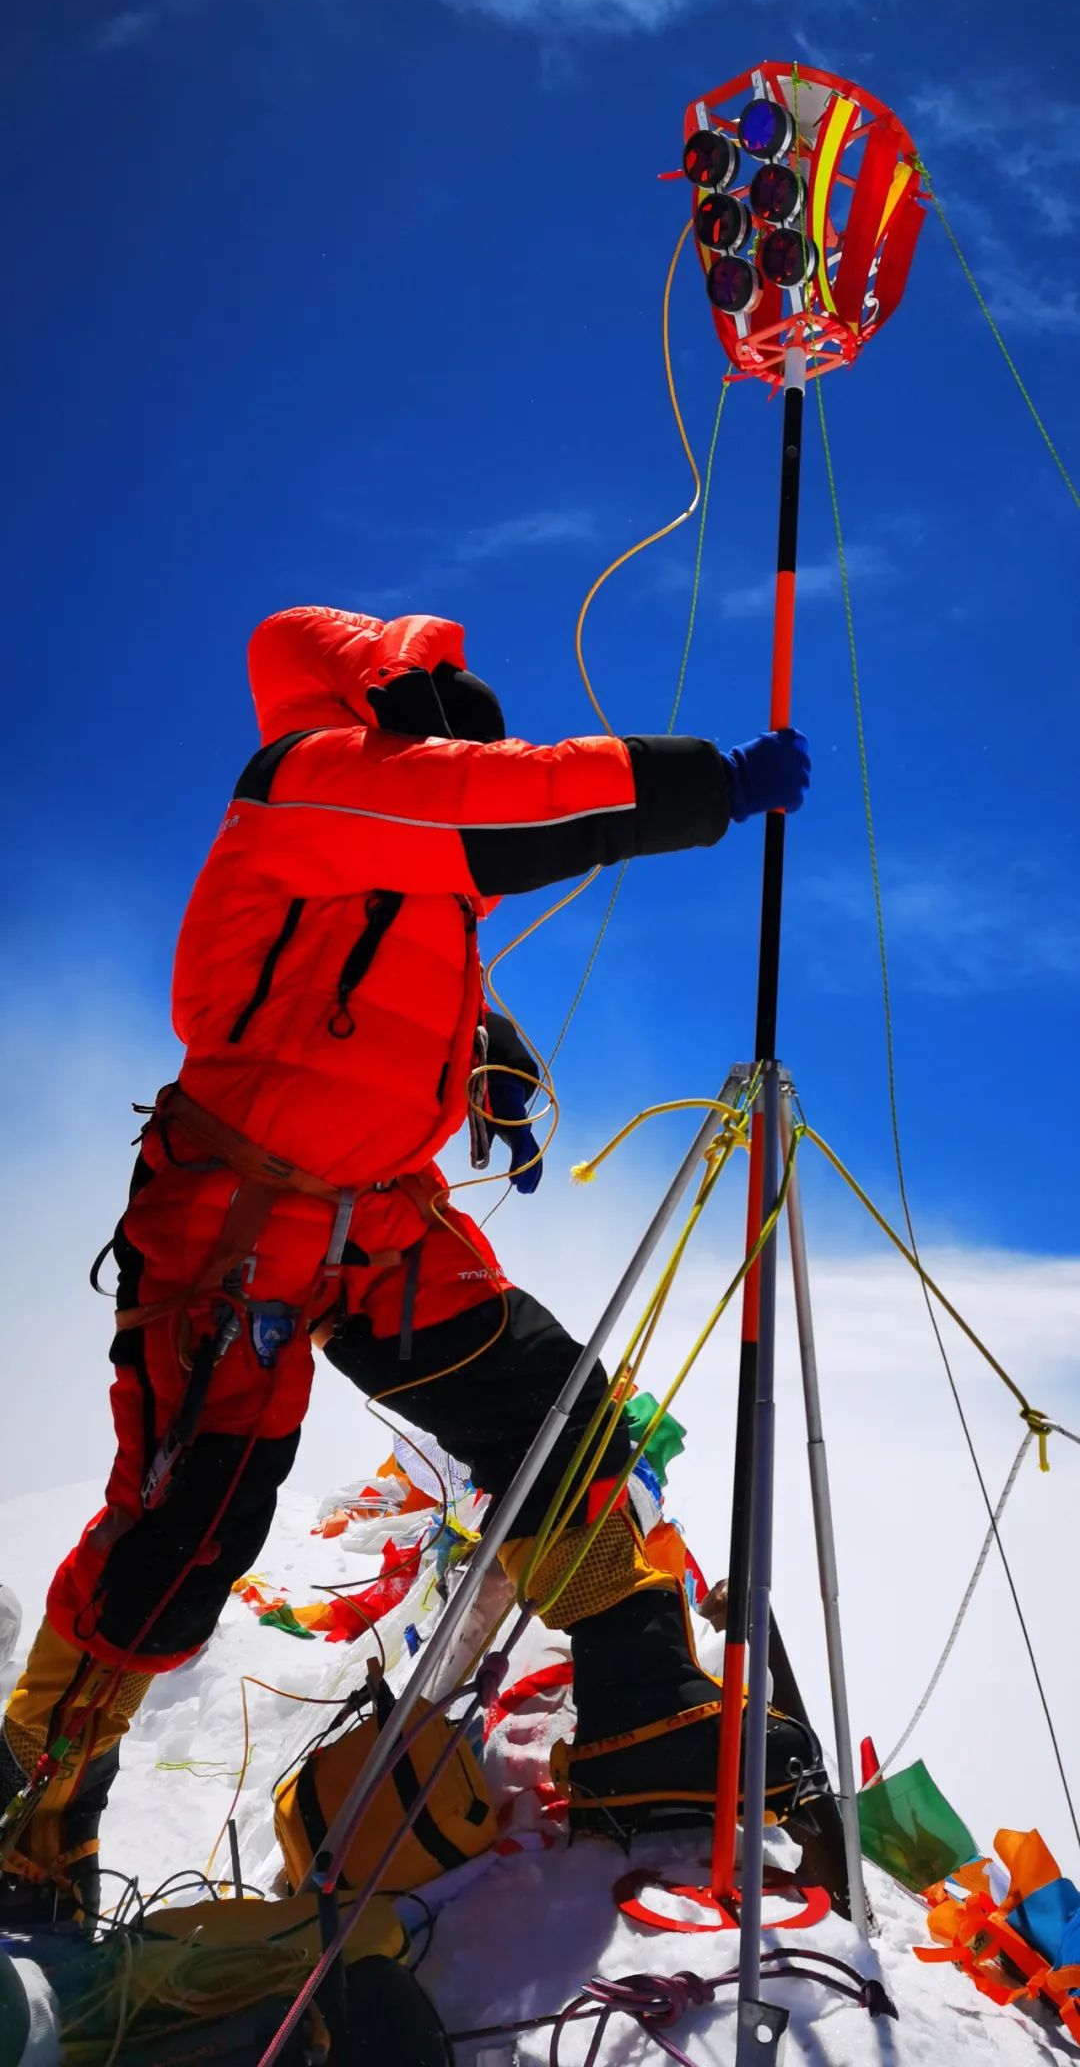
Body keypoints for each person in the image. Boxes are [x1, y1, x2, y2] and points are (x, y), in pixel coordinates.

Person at [0, 606, 812, 1921]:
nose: (467, 726)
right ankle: (36, 1808)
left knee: (553, 1407)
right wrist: (704, 783)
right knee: (189, 1520)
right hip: (237, 1219)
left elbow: (395, 952)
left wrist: (477, 1057)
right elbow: (495, 811)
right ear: (383, 697)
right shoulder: (304, 782)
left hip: (379, 1213)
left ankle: (643, 1710)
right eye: (445, 704)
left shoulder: (401, 844)